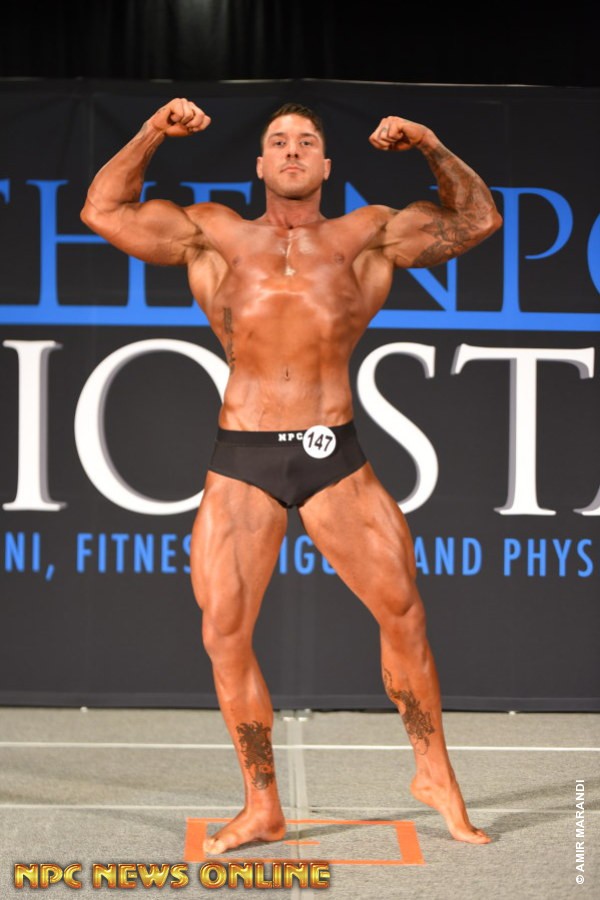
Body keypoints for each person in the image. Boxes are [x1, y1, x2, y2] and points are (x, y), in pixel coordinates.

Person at [81, 97, 502, 851]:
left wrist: (431, 142)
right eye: (279, 142)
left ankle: (434, 773)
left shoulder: (367, 234)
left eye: (307, 141)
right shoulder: (213, 234)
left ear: (327, 163)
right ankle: (261, 804)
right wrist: (150, 132)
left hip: (331, 450)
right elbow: (102, 211)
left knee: (404, 613)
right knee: (224, 633)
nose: (293, 151)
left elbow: (477, 220)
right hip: (243, 457)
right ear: (260, 162)